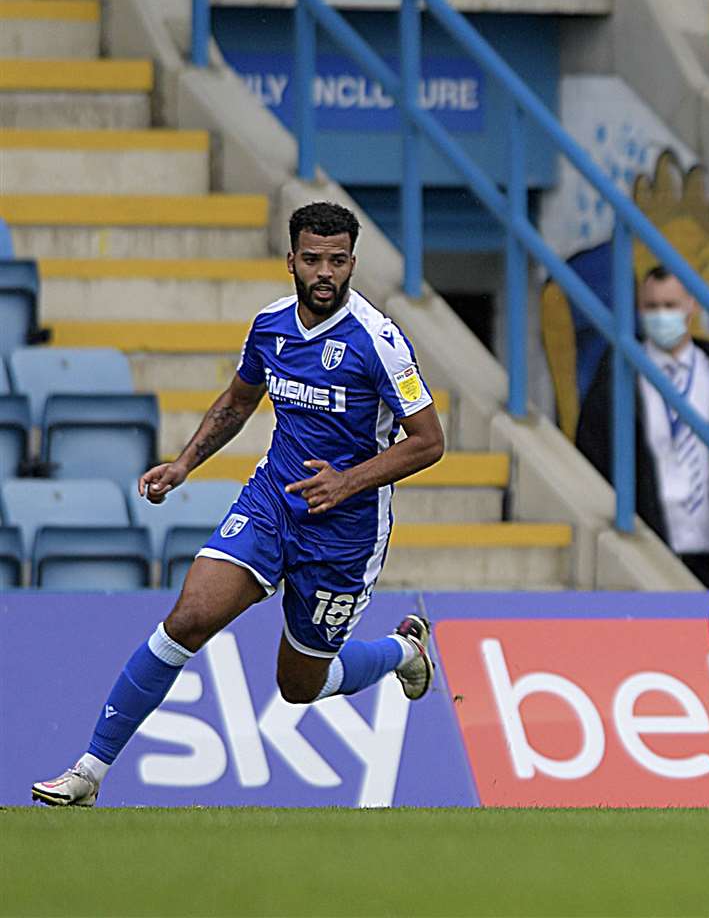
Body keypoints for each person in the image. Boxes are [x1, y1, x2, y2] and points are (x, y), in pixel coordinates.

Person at [32, 202, 445, 807]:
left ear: (353, 262)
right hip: (272, 504)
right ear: (291, 261)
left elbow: (430, 442)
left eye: (336, 260)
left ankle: (403, 653)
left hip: (346, 533)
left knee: (299, 684)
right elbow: (237, 400)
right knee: (188, 619)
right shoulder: (271, 326)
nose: (324, 272)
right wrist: (183, 464)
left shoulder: (380, 343)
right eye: (312, 260)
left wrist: (347, 482)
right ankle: (89, 771)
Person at [574, 266, 709, 588]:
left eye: (670, 306)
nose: (661, 315)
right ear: (639, 308)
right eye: (652, 306)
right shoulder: (617, 376)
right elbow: (592, 455)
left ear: (692, 305)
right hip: (647, 552)